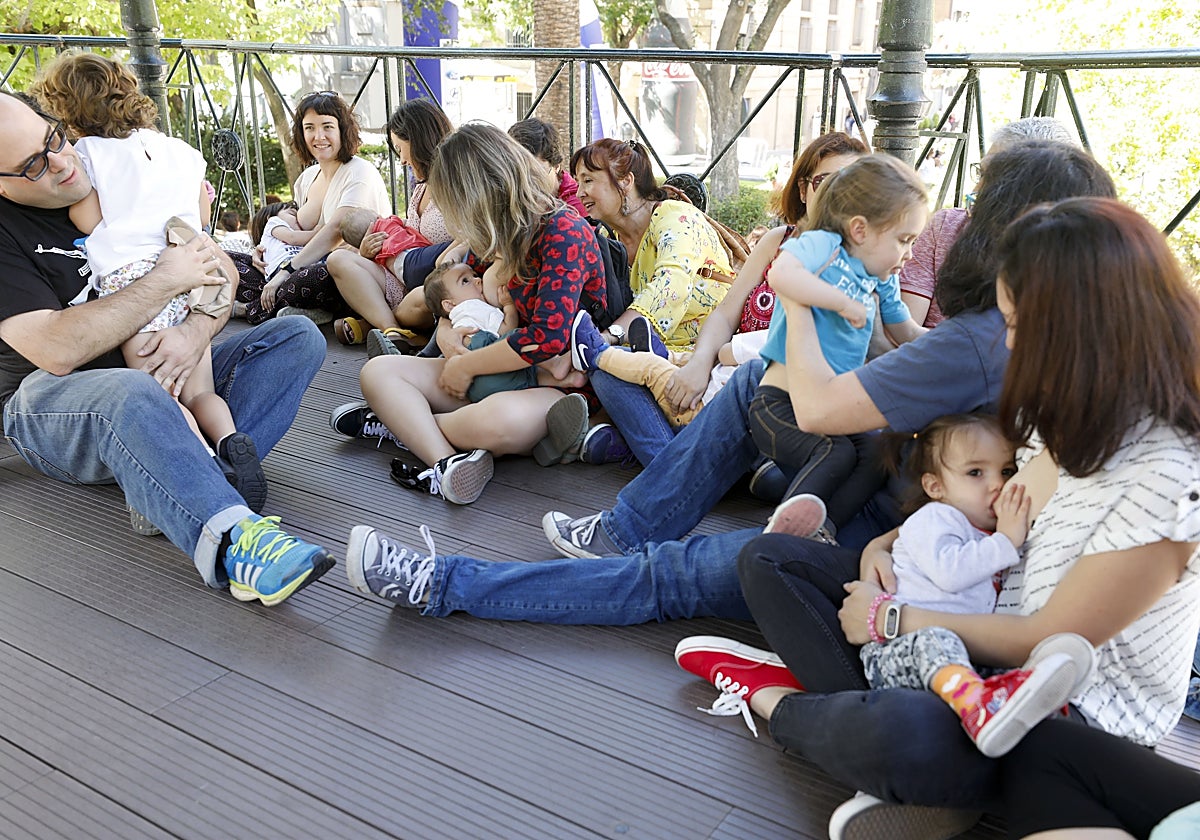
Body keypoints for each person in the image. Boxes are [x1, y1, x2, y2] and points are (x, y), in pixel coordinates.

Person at [338, 143, 1116, 628]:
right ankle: (623, 525)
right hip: (899, 510)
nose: (957, 224)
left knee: (668, 577)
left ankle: (445, 583)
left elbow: (820, 399)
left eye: (977, 211)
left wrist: (798, 290)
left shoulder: (983, 342)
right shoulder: (1061, 336)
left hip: (889, 551)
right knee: (745, 397)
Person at [679, 196, 1200, 839]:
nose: (1008, 342)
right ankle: (923, 748)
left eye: (1018, 324)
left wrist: (889, 616)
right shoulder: (1063, 413)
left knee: (910, 736)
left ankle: (781, 701)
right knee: (769, 558)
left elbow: (1052, 637)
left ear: (1080, 328)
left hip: (1064, 715)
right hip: (972, 636)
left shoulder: (1169, 474)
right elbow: (993, 513)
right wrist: (890, 549)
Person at [0, 91, 334, 607]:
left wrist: (194, 333)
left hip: (167, 368)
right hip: (56, 403)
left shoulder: (104, 169)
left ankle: (176, 478)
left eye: (54, 138)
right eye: (33, 165)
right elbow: (56, 349)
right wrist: (163, 281)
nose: (61, 163)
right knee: (132, 392)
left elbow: (217, 269)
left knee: (296, 338)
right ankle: (236, 540)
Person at [31, 53, 267, 512]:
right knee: (201, 391)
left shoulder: (88, 155)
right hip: (196, 270)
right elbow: (201, 214)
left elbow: (88, 217)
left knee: (161, 397)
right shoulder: (176, 149)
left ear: (67, 109)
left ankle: (206, 472)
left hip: (140, 285)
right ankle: (232, 440)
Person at [334, 123, 605, 505]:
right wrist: (446, 333)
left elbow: (548, 338)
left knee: (499, 421)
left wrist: (468, 366)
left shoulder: (563, 231)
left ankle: (403, 426)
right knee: (378, 372)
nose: (456, 220)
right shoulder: (496, 235)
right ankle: (445, 462)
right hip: (485, 372)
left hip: (553, 383)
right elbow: (458, 292)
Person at [595, 132, 868, 468]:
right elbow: (725, 314)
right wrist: (699, 364)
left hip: (776, 401)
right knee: (607, 370)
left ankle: (665, 462)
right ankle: (685, 463)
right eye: (825, 181)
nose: (838, 194)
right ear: (803, 188)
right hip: (719, 375)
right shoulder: (778, 241)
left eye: (852, 183)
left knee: (745, 381)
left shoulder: (864, 262)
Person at [851, 413, 1087, 759]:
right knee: (937, 639)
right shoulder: (933, 519)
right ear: (936, 487)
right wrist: (1007, 541)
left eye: (1006, 471)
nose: (997, 485)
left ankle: (1006, 707)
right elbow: (951, 573)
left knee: (995, 661)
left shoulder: (985, 537)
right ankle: (979, 705)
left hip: (959, 659)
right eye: (975, 473)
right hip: (898, 650)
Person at [749, 154, 927, 533]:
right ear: (860, 229)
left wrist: (958, 342)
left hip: (832, 409)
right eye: (903, 240)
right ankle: (782, 532)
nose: (909, 253)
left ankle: (824, 530)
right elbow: (783, 274)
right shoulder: (823, 245)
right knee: (836, 452)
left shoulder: (881, 276)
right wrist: (840, 302)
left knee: (877, 456)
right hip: (780, 404)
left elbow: (905, 330)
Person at [569, 138, 731, 463]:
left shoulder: (676, 217)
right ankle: (655, 451)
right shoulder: (606, 239)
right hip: (648, 363)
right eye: (576, 182)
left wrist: (609, 337)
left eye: (588, 180)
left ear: (626, 182)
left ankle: (662, 463)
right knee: (606, 369)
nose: (579, 192)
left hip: (704, 360)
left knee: (604, 361)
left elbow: (671, 286)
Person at [900, 116, 1075, 327]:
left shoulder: (1063, 260)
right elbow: (903, 332)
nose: (977, 190)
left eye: (995, 179)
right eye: (982, 173)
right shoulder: (946, 227)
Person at [234, 90, 390, 325]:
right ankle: (292, 308)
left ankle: (251, 308)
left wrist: (285, 271)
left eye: (327, 126)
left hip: (342, 274)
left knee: (313, 276)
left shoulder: (360, 172)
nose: (319, 136)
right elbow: (290, 225)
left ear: (342, 129)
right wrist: (263, 250)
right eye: (309, 128)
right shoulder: (307, 178)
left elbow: (335, 231)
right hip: (298, 264)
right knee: (230, 261)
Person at [327, 98, 455, 353]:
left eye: (400, 149)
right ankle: (393, 332)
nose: (402, 160)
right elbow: (409, 231)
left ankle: (378, 325)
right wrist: (369, 251)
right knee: (339, 259)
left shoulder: (456, 186)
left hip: (435, 284)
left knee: (421, 298)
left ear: (419, 142)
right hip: (404, 276)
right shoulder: (420, 188)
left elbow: (469, 241)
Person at [507, 117, 587, 217]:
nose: (528, 184)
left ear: (556, 166)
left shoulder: (576, 206)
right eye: (518, 173)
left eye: (536, 174)